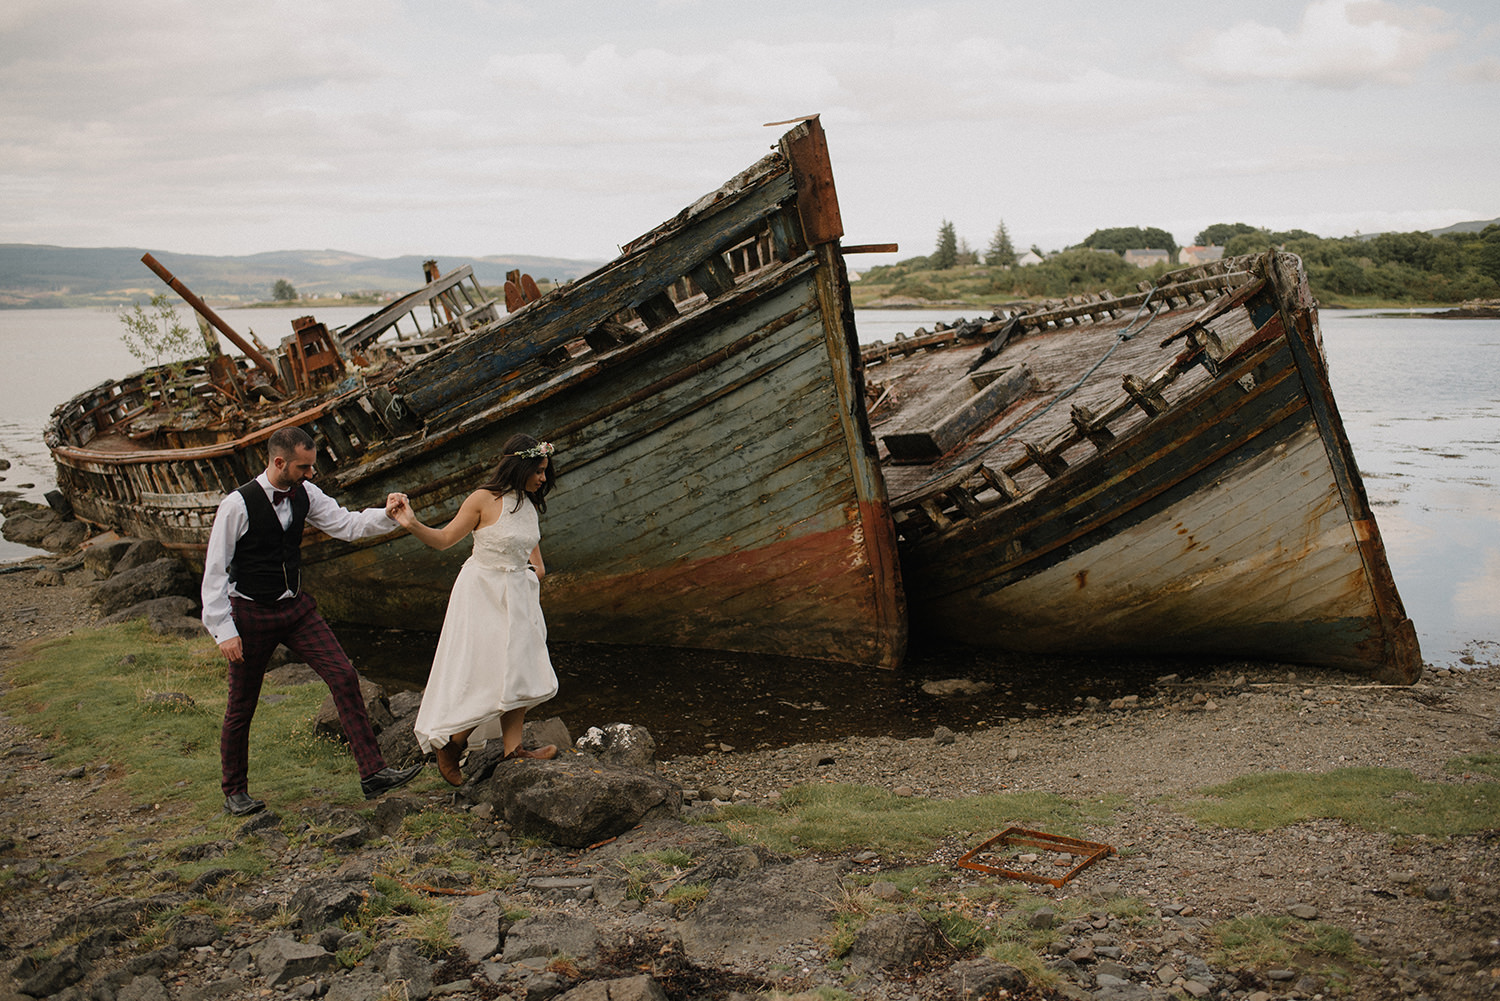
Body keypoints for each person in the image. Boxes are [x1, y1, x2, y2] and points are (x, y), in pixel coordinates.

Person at [201, 425, 423, 815]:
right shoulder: (236, 506)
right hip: (249, 612)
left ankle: (373, 773)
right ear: (279, 462)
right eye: (303, 468)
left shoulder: (307, 493)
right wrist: (224, 631)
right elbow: (215, 572)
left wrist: (387, 514)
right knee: (242, 704)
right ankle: (235, 791)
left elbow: (346, 524)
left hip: (295, 608)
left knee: (343, 675)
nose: (310, 474)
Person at [388, 433, 560, 786]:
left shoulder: (528, 504)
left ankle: (513, 749)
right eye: (539, 471)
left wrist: (530, 575)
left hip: (518, 594)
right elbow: (445, 540)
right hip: (481, 591)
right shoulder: (482, 499)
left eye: (545, 472)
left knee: (519, 668)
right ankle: (453, 743)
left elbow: (537, 563)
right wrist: (412, 524)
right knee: (486, 669)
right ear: (520, 465)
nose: (543, 478)